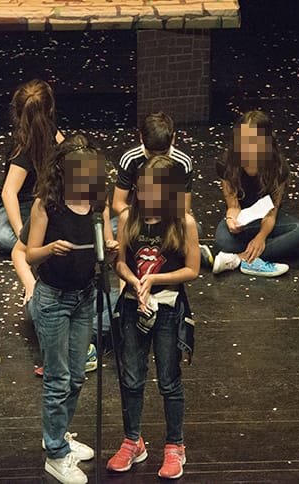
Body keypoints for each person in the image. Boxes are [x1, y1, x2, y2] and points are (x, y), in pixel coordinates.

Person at [19, 134, 116, 484]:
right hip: (54, 299)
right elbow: (29, 253)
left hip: (84, 297)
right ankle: (56, 453)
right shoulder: (47, 205)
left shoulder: (98, 203)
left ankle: (59, 435)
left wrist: (112, 247)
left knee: (76, 375)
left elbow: (104, 243)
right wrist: (50, 249)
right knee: (58, 379)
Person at [107, 155, 199, 480]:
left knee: (169, 379)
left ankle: (175, 445)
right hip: (134, 305)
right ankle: (133, 440)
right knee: (131, 377)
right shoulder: (129, 217)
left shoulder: (183, 222)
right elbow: (120, 262)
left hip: (168, 307)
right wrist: (133, 281)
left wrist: (155, 279)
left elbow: (192, 269)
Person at [212, 110, 299, 277]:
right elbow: (233, 206)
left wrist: (261, 238)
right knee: (223, 242)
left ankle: (237, 259)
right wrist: (231, 221)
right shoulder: (226, 163)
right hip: (243, 221)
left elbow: (271, 213)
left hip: (267, 220)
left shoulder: (277, 167)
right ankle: (294, 248)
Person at [112, 111, 212, 267]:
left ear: (173, 139)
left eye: (163, 153)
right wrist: (139, 220)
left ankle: (191, 252)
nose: (156, 158)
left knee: (193, 229)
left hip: (168, 217)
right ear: (141, 138)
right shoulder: (130, 159)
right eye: (151, 153)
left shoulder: (182, 162)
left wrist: (160, 221)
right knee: (114, 231)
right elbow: (118, 203)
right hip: (138, 215)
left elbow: (183, 207)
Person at [0, 80, 64, 258]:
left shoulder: (52, 132)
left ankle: (41, 242)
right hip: (24, 204)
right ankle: (42, 243)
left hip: (47, 201)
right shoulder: (23, 147)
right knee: (3, 237)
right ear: (50, 108)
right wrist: (21, 236)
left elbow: (68, 154)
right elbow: (9, 193)